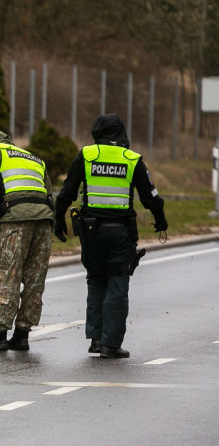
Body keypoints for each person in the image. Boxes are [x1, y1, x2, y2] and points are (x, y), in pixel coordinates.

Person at [54, 114, 167, 359]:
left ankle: (96, 338)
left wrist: (58, 219)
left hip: (91, 231)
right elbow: (151, 196)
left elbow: (67, 191)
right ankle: (111, 344)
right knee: (117, 283)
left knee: (95, 280)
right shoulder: (132, 159)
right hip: (120, 232)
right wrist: (160, 219)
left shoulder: (87, 155)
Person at [0, 131, 55, 351]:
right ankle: (22, 335)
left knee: (9, 275)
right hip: (44, 222)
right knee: (34, 279)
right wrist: (51, 222)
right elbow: (49, 193)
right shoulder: (33, 158)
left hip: (16, 220)